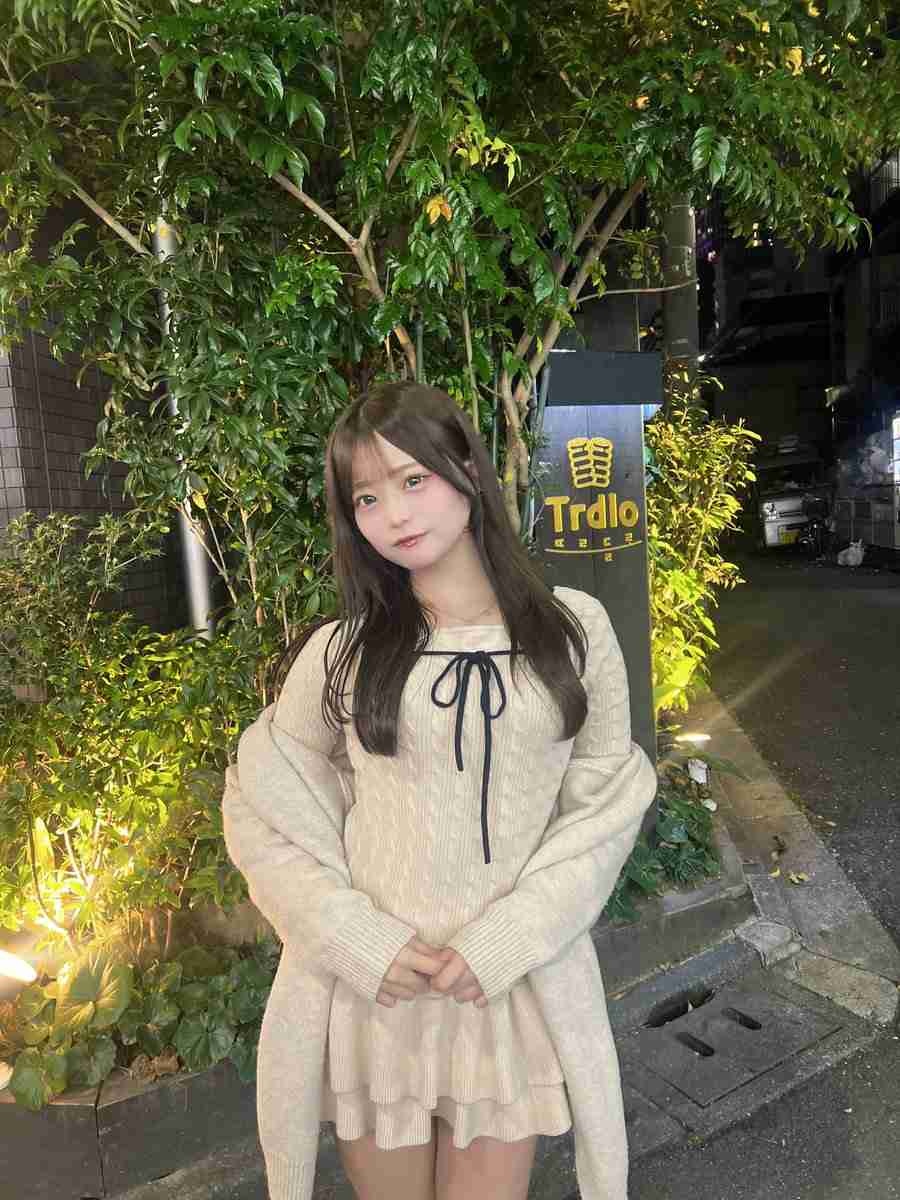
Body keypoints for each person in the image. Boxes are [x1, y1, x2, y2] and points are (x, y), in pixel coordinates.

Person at [221, 382, 657, 1200]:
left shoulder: (573, 631)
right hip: (378, 997)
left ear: (467, 469)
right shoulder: (343, 649)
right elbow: (260, 804)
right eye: (366, 497)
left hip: (506, 992)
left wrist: (513, 937)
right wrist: (351, 937)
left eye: (412, 479)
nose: (393, 514)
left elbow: (605, 809)